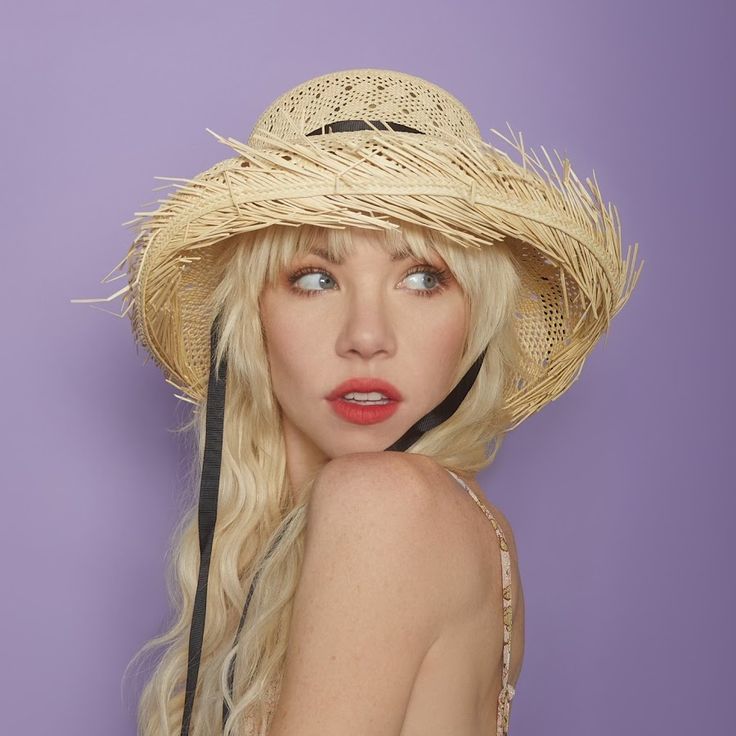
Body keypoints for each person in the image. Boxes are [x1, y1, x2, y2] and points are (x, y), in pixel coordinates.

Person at [73, 68, 643, 736]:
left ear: (476, 318)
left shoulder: (385, 502)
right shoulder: (460, 520)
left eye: (423, 279)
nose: (367, 337)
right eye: (315, 278)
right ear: (251, 319)